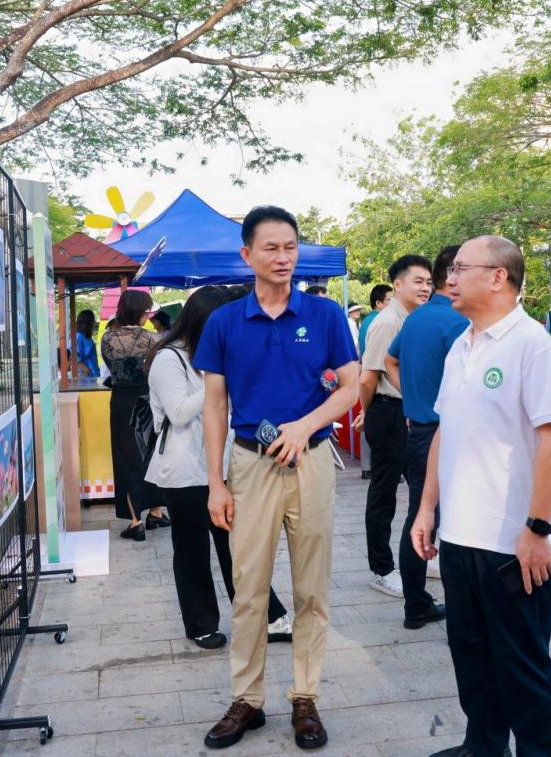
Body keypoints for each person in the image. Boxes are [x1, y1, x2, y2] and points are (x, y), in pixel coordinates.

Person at [194, 206, 359, 751]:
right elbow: (214, 405)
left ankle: (305, 697)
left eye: (291, 247)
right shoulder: (224, 322)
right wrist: (216, 482)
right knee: (248, 589)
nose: (283, 257)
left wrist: (305, 426)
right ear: (247, 255)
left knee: (312, 588)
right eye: (271, 248)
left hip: (311, 461)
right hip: (249, 465)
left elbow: (351, 386)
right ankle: (247, 699)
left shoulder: (325, 314)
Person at [410, 235, 551, 757]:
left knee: (524, 668)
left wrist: (537, 529)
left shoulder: (532, 345)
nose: (449, 279)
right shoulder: (462, 344)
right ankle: (483, 746)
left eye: (460, 268)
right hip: (460, 536)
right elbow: (445, 430)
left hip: (510, 543)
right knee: (472, 657)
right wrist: (427, 508)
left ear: (499, 277)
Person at [145, 287, 293, 649]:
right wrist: (219, 377)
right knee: (192, 550)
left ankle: (266, 616)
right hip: (184, 470)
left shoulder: (220, 354)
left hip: (226, 465)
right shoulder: (169, 358)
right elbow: (179, 412)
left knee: (239, 547)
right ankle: (201, 624)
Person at [386, 245, 467, 629]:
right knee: (453, 523)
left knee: (419, 516)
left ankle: (416, 603)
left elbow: (390, 360)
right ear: (453, 274)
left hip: (420, 431)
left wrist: (413, 398)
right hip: (448, 434)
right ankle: (461, 607)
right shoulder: (458, 322)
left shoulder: (417, 318)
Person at [357, 254, 432, 599]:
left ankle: (421, 554)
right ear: (397, 285)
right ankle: (382, 569)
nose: (425, 288)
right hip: (388, 412)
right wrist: (368, 413)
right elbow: (368, 377)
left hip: (409, 412)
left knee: (421, 490)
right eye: (418, 281)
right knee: (384, 493)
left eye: (428, 282)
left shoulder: (415, 318)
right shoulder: (388, 322)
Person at [101, 290, 169, 540]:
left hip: (120, 402)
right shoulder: (154, 339)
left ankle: (135, 521)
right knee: (151, 455)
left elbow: (111, 368)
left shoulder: (108, 338)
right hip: (146, 402)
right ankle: (156, 512)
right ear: (141, 312)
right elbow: (157, 371)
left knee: (125, 459)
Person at [356, 284, 391, 480]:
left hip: (368, 372)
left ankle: (367, 466)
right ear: (378, 303)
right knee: (371, 418)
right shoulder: (382, 321)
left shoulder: (367, 321)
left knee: (367, 417)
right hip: (379, 377)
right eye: (390, 300)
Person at [71, 308, 99, 377]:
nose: (94, 323)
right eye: (93, 320)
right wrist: (86, 370)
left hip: (92, 375)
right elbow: (73, 355)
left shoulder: (86, 337)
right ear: (88, 322)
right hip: (85, 377)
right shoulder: (79, 337)